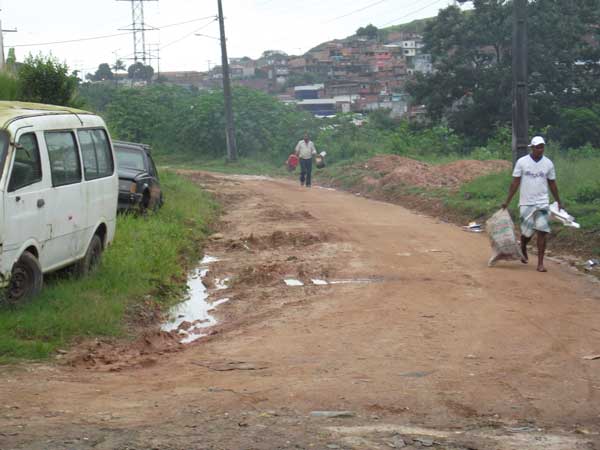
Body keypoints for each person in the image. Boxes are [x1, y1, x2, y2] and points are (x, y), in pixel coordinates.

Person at [502, 136, 562, 272]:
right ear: (532, 147)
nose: (540, 149)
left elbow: (552, 183)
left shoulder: (548, 164)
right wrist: (507, 201)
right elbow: (515, 182)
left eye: (542, 147)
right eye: (537, 147)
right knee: (526, 233)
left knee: (542, 231)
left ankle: (540, 263)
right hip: (526, 202)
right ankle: (523, 245)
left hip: (542, 202)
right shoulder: (522, 162)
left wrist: (559, 201)